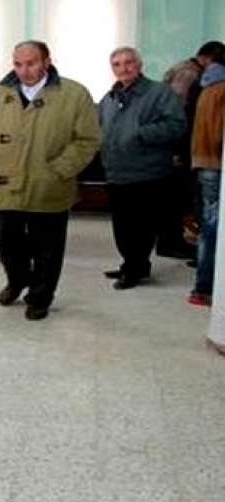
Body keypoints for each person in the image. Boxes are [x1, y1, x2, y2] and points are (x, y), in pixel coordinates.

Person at [0, 40, 100, 321]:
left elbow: (88, 139)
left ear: (46, 61)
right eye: (18, 64)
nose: (24, 70)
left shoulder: (74, 94)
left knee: (48, 247)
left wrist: (60, 169)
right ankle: (17, 280)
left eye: (31, 63)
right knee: (6, 241)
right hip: (5, 183)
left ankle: (40, 296)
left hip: (50, 183)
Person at [97, 47, 187, 290]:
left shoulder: (159, 92)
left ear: (139, 65)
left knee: (141, 227)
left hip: (146, 172)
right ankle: (132, 264)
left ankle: (135, 269)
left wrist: (140, 134)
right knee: (122, 226)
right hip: (116, 171)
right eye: (116, 64)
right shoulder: (110, 97)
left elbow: (177, 124)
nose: (123, 68)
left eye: (128, 63)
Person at [158, 41, 225, 260]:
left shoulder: (190, 70)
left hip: (182, 145)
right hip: (177, 145)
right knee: (176, 198)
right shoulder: (189, 73)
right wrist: (177, 150)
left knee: (179, 197)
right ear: (207, 58)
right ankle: (171, 242)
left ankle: (172, 241)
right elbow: (177, 114)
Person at [188, 55, 225, 307]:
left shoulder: (208, 87)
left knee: (209, 228)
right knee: (214, 230)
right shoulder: (221, 89)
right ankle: (206, 288)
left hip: (204, 162)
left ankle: (202, 288)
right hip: (218, 163)